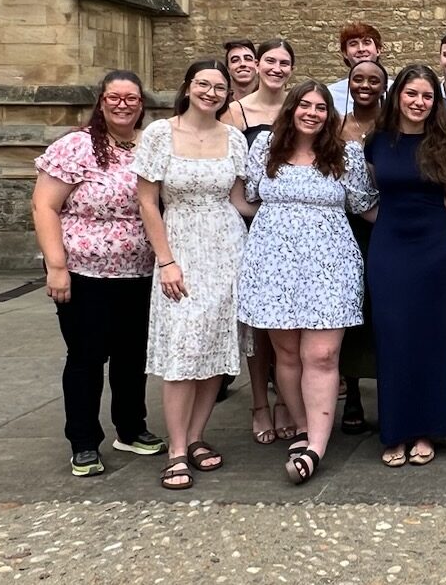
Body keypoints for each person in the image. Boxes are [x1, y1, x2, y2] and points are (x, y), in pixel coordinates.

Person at [237, 81, 377, 485]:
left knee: (322, 355)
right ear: (292, 109)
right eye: (305, 105)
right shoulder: (265, 148)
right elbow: (248, 195)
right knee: (288, 355)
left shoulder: (345, 154)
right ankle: (301, 428)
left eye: (320, 107)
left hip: (329, 265)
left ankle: (315, 444)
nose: (312, 113)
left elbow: (365, 207)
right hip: (273, 264)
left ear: (329, 114)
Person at [32, 70, 166, 477]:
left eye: (131, 98)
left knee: (132, 356)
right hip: (84, 272)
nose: (123, 104)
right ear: (101, 101)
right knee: (87, 358)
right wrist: (56, 266)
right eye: (114, 97)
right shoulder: (74, 147)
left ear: (142, 104)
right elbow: (44, 206)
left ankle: (131, 427)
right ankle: (84, 441)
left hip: (140, 272)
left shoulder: (151, 146)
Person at [133, 60, 254, 491]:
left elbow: (239, 200)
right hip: (181, 245)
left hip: (227, 248)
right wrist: (166, 261)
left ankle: (198, 435)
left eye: (219, 87)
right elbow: (148, 202)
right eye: (203, 84)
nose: (211, 92)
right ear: (188, 87)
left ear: (228, 95)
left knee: (215, 348)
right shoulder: (160, 134)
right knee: (183, 350)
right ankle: (176, 449)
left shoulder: (235, 138)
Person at [366, 64, 446, 467]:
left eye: (427, 96)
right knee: (392, 335)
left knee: (433, 335)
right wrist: (387, 219)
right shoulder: (377, 141)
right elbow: (369, 188)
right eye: (412, 94)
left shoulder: (445, 141)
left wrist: (441, 211)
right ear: (398, 97)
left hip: (434, 247)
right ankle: (395, 430)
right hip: (389, 246)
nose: (419, 102)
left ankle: (427, 427)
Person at [220, 38, 298, 443]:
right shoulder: (235, 113)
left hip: (292, 224)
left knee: (286, 320)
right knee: (258, 325)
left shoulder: (299, 107)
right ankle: (259, 404)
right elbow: (236, 179)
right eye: (270, 61)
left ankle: (286, 400)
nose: (277, 68)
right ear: (257, 64)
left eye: (285, 63)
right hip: (251, 222)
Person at [335, 59, 388, 435]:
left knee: (384, 307)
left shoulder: (393, 124)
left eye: (374, 80)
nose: (365, 85)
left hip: (387, 223)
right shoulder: (335, 127)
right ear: (349, 83)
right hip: (345, 227)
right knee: (349, 306)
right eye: (359, 79)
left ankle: (389, 389)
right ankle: (351, 390)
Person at [329, 21, 387, 115]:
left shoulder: (395, 90)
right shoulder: (332, 94)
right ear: (345, 53)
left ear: (378, 50)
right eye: (353, 44)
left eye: (367, 43)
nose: (361, 49)